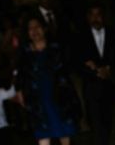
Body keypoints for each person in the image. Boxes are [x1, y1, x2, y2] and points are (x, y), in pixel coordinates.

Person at [16, 15, 80, 145]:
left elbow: (67, 70)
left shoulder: (57, 47)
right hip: (37, 98)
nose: (34, 31)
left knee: (64, 131)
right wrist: (19, 91)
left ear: (44, 29)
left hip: (58, 95)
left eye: (37, 27)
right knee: (42, 132)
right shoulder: (24, 52)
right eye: (30, 28)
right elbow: (20, 74)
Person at [75, 3, 115, 145]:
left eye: (98, 14)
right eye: (92, 15)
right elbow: (76, 63)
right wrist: (96, 72)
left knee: (113, 123)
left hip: (112, 86)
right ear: (87, 17)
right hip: (92, 87)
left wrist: (109, 70)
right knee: (96, 124)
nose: (95, 18)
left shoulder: (113, 33)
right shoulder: (80, 36)